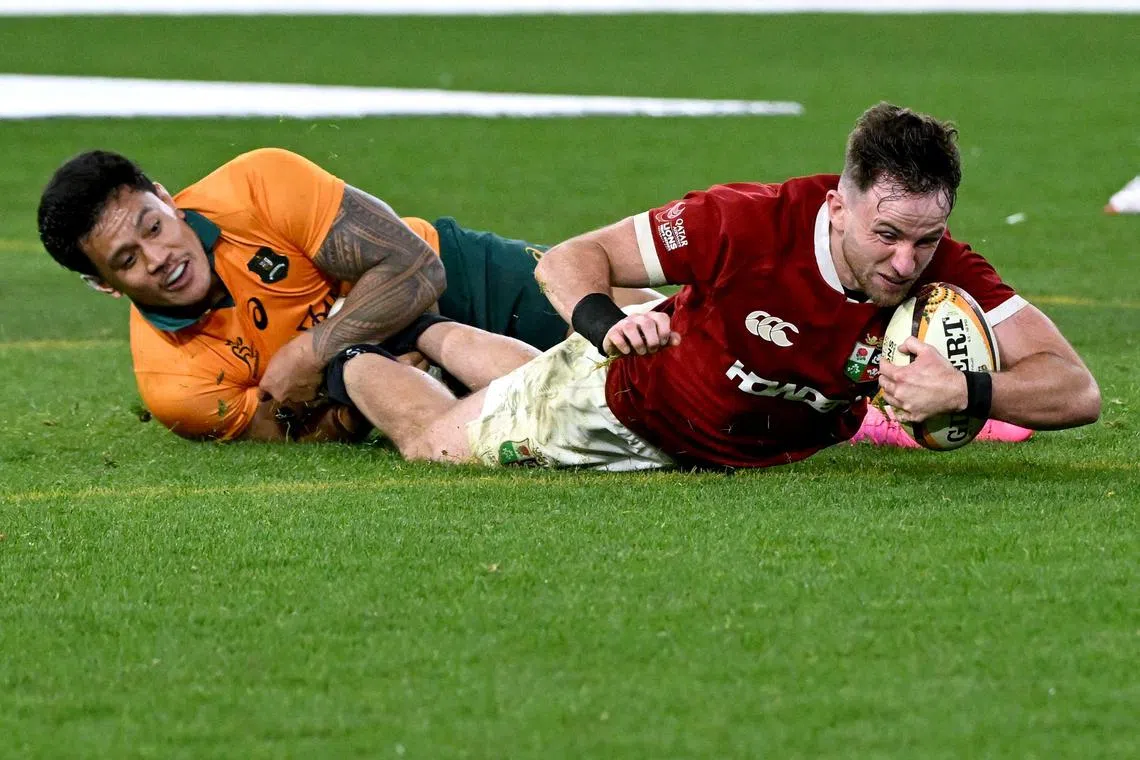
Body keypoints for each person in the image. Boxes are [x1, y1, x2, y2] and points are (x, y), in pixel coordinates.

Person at [335, 102, 1101, 470]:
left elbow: (1077, 391)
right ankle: (357, 348)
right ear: (839, 205)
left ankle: (429, 338)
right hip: (623, 407)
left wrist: (967, 391)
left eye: (926, 239)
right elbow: (569, 258)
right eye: (887, 236)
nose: (907, 264)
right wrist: (604, 326)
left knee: (516, 379)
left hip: (729, 421)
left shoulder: (944, 270)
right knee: (431, 445)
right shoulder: (743, 224)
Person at [36, 147, 654, 442]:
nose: (160, 257)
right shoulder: (174, 384)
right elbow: (297, 431)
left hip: (461, 277)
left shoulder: (256, 183)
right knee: (618, 402)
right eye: (128, 261)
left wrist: (309, 353)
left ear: (167, 199)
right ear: (103, 285)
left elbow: (415, 269)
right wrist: (364, 382)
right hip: (380, 377)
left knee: (632, 324)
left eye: (152, 226)